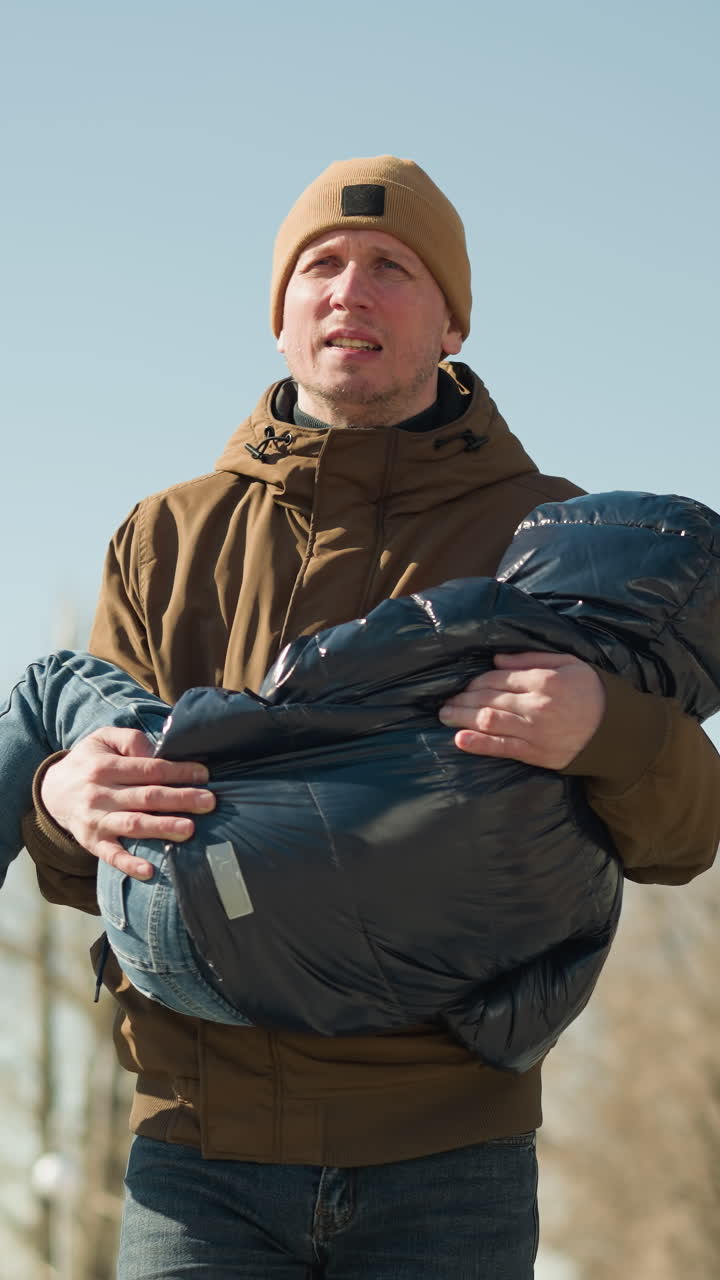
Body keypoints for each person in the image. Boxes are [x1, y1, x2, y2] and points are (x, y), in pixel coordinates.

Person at [20, 156, 720, 1279]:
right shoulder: (165, 539)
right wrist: (62, 796)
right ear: (282, 313)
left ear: (450, 320)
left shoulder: (552, 532)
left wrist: (611, 728)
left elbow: (686, 838)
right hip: (200, 1156)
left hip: (451, 1163)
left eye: (392, 266)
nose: (351, 289)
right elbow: (83, 867)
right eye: (322, 265)